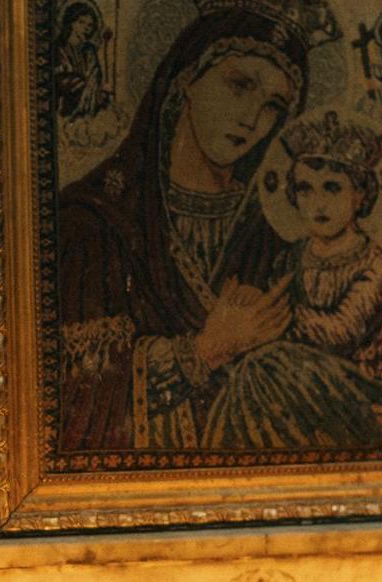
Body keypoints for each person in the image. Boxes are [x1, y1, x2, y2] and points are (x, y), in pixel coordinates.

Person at [54, 0, 337, 454]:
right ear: (186, 76)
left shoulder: (274, 232)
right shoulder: (94, 223)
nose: (252, 119)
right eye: (240, 85)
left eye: (273, 106)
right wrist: (205, 350)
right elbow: (73, 401)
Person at [201, 110, 382, 450]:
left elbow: (340, 333)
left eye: (332, 188)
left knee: (260, 370)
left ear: (359, 195)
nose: (318, 203)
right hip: (298, 382)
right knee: (249, 373)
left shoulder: (376, 266)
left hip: (363, 392)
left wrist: (268, 316)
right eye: (305, 189)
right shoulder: (289, 259)